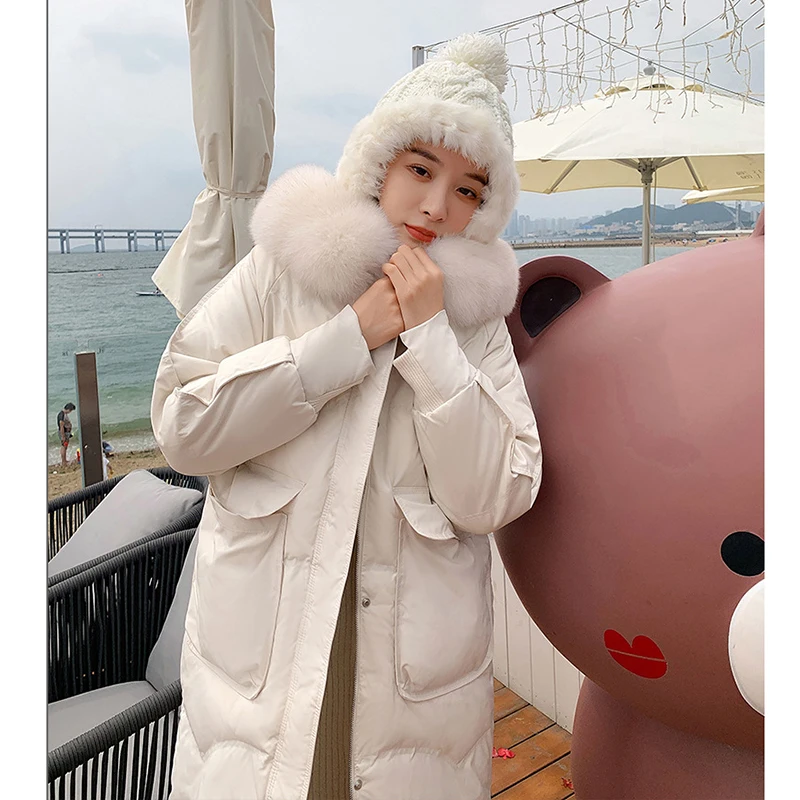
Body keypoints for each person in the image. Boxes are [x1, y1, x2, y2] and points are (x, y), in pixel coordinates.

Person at [152, 34, 542, 800]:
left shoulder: (475, 321)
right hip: (260, 669)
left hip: (412, 689)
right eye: (421, 170)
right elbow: (183, 429)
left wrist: (431, 338)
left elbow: (494, 497)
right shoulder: (281, 269)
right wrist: (345, 342)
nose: (437, 206)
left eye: (468, 190)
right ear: (378, 162)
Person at [56, 402, 75, 467]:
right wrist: (63, 436)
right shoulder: (62, 415)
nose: (70, 412)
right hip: (64, 433)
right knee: (64, 446)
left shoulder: (64, 414)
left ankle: (64, 460)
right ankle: (63, 462)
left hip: (66, 433)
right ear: (69, 409)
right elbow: (61, 426)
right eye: (71, 410)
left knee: (65, 446)